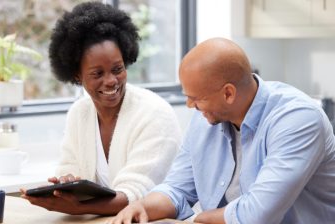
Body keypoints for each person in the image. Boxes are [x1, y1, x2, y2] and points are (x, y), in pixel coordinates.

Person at [111, 38, 335, 224]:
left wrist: (199, 219)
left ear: (228, 94)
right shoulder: (206, 119)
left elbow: (257, 215)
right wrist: (141, 207)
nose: (190, 106)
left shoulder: (298, 120)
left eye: (195, 98)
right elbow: (177, 189)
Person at [20, 2, 181, 215]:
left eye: (118, 69)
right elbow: (69, 168)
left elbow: (138, 194)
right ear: (77, 75)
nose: (111, 81)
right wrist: (67, 185)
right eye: (97, 74)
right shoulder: (79, 114)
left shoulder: (155, 114)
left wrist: (80, 208)